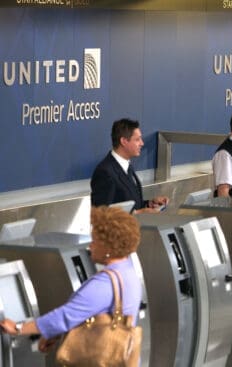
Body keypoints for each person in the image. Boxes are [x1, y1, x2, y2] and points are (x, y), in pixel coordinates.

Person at [0, 206, 142, 358]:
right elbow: (84, 316)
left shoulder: (104, 284)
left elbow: (66, 316)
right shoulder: (128, 272)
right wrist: (55, 333)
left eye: (95, 241)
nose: (90, 246)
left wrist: (19, 328)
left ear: (109, 246)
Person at [91, 118, 169, 213]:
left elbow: (131, 205)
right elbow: (102, 216)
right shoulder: (104, 172)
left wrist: (149, 204)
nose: (142, 143)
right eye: (137, 139)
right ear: (124, 141)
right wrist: (138, 213)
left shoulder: (127, 166)